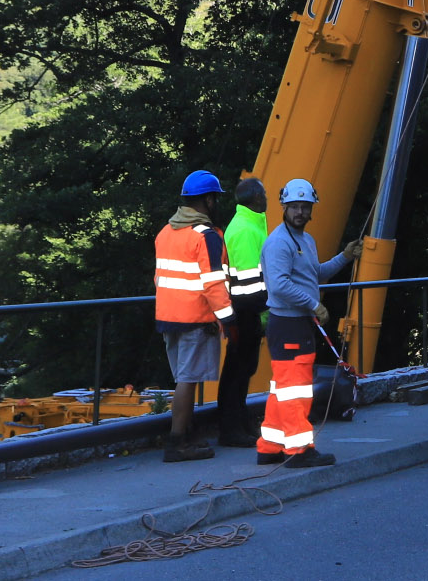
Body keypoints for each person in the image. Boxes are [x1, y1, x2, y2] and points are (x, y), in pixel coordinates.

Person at [256, 178, 360, 468]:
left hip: (296, 324)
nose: (300, 212)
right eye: (295, 207)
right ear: (284, 208)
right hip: (289, 324)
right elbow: (278, 286)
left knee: (283, 389)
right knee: (296, 390)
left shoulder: (305, 240)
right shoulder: (278, 242)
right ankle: (300, 450)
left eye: (305, 207)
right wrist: (313, 304)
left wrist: (344, 257)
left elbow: (314, 274)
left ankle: (270, 446)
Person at [153, 170, 234, 462]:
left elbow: (159, 279)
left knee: (184, 377)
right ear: (208, 200)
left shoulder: (166, 232)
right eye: (215, 198)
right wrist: (227, 319)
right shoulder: (206, 236)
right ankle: (177, 443)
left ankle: (187, 434)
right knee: (187, 380)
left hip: (167, 317)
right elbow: (213, 283)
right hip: (194, 318)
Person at [216, 177, 269, 448]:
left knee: (239, 368)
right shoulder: (247, 229)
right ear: (255, 198)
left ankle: (237, 423)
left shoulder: (247, 225)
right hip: (246, 310)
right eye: (264, 194)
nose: (268, 198)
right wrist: (263, 315)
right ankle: (232, 428)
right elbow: (251, 284)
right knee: (240, 369)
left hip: (241, 309)